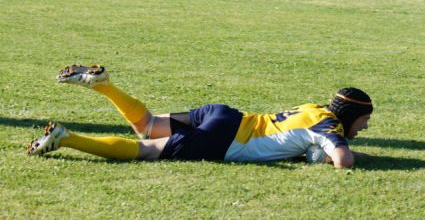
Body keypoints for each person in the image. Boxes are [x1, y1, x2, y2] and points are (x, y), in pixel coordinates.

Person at [27, 65, 373, 169]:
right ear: (351, 115)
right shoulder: (329, 126)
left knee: (147, 125)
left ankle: (105, 86)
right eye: (364, 119)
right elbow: (343, 162)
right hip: (224, 140)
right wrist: (337, 154)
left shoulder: (315, 108)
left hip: (225, 115)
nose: (366, 126)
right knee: (146, 149)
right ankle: (66, 138)